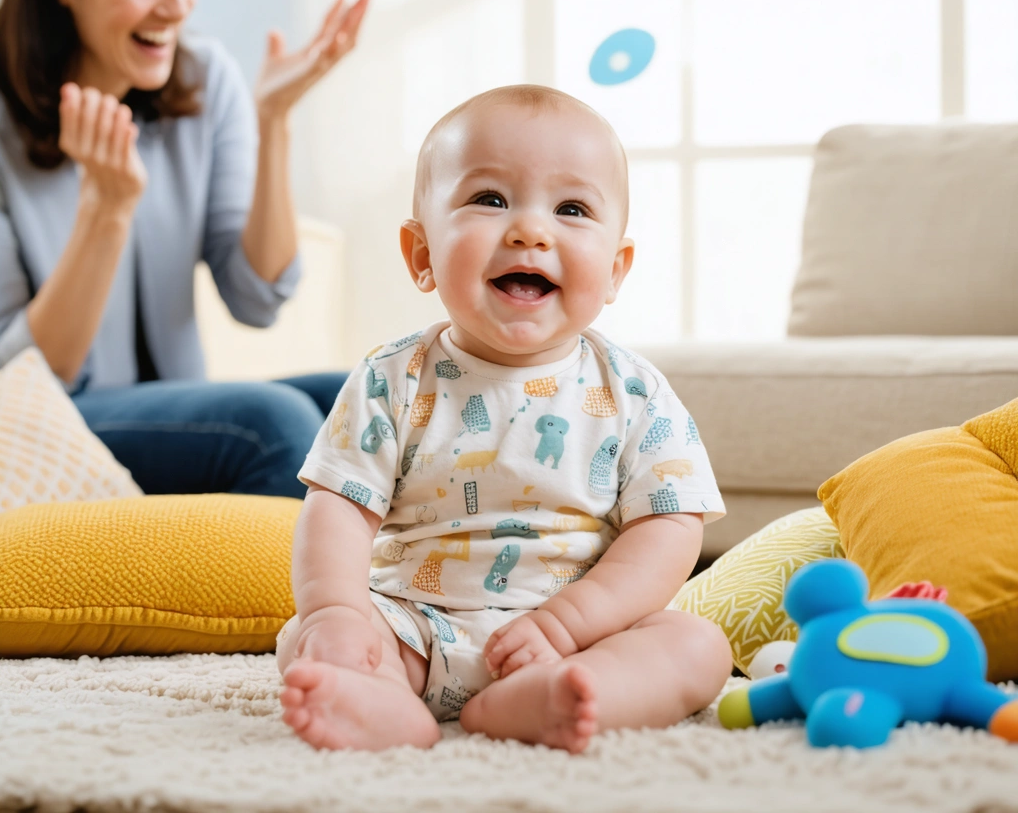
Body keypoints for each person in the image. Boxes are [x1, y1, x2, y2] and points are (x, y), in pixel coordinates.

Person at [276, 84, 733, 752]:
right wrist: (336, 612)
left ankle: (550, 701)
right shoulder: (392, 378)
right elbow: (340, 508)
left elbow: (668, 526)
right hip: (414, 630)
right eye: (490, 199)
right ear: (421, 254)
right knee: (308, 637)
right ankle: (381, 700)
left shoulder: (634, 392)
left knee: (697, 646)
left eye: (572, 208)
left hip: (578, 642)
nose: (529, 229)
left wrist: (569, 625)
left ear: (615, 269)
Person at [0, 0, 368, 498]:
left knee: (362, 402)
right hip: (35, 417)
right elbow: (25, 374)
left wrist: (271, 119)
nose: (176, 6)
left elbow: (258, 299)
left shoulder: (204, 78)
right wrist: (107, 210)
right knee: (269, 424)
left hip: (170, 405)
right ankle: (310, 605)